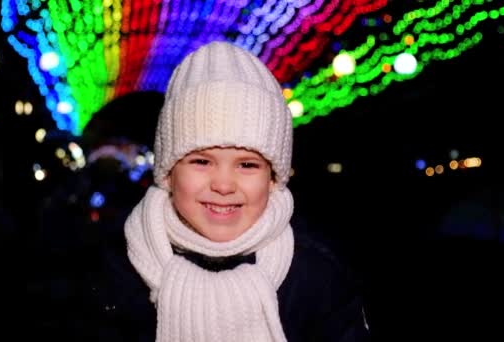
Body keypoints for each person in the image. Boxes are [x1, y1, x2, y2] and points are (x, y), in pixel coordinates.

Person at [86, 41, 370, 342]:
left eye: (247, 165)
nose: (223, 185)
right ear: (168, 174)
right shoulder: (113, 270)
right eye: (201, 161)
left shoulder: (317, 274)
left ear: (273, 179)